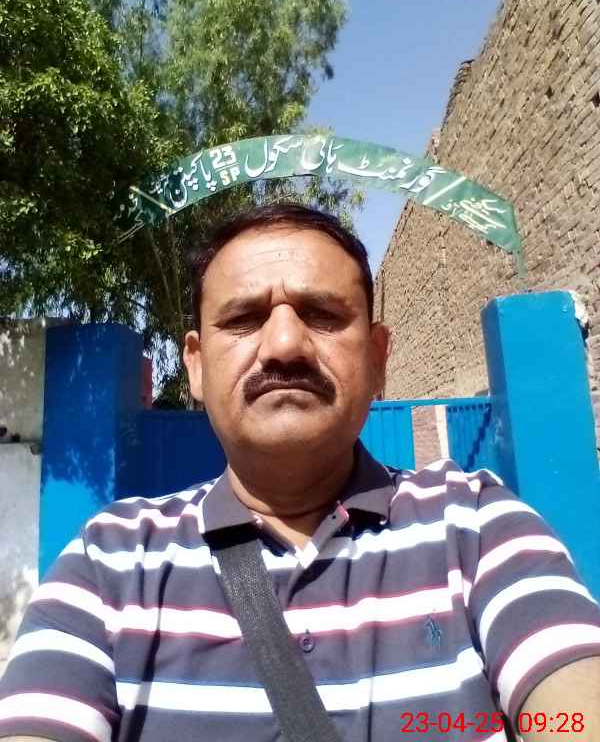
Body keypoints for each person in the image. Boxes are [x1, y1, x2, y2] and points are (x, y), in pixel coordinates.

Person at [0, 203, 599, 742]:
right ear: (197, 366)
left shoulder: (477, 526)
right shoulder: (110, 562)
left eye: (322, 314)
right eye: (243, 318)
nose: (285, 344)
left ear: (377, 358)